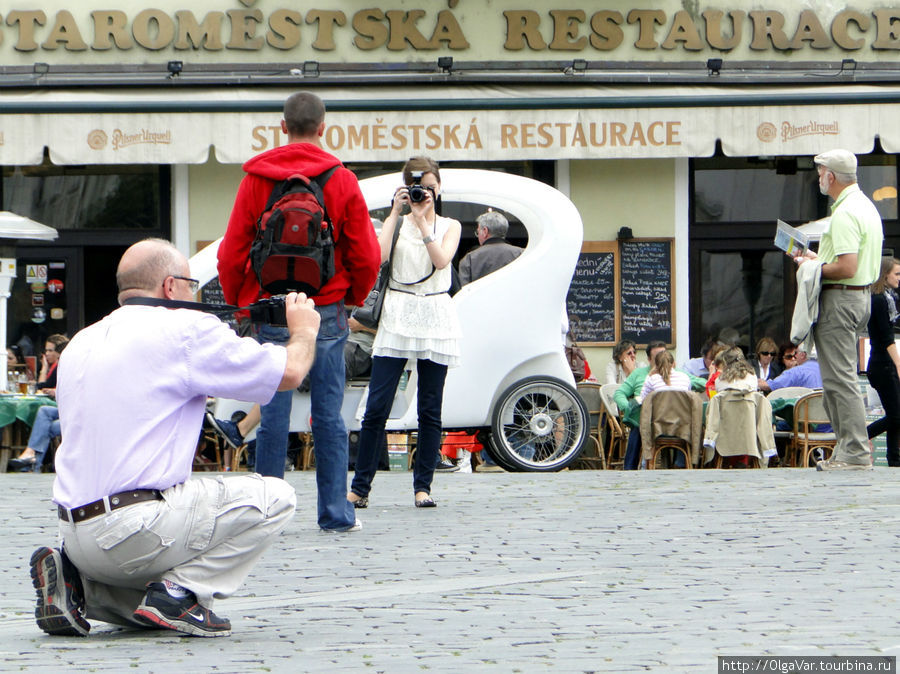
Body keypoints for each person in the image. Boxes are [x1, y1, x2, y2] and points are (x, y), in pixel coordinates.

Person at [28, 238, 320, 639]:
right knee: (276, 497)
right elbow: (288, 373)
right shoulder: (184, 328)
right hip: (136, 527)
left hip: (77, 536)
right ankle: (180, 591)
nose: (194, 294)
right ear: (170, 286)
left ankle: (78, 585)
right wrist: (303, 330)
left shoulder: (83, 339)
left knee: (148, 611)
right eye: (190, 284)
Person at [217, 92, 380, 531]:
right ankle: (335, 514)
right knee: (327, 414)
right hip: (324, 306)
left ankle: (267, 515)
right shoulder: (341, 180)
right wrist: (353, 297)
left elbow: (231, 252)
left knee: (272, 411)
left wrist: (240, 304)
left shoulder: (255, 179)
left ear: (282, 126)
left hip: (270, 306)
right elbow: (366, 253)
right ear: (323, 128)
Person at [348, 156, 462, 509]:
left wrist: (423, 220)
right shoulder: (395, 223)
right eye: (417, 188)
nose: (422, 193)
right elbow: (378, 259)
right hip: (398, 312)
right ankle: (360, 487)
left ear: (439, 188)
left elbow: (442, 260)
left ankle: (423, 486)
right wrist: (397, 214)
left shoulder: (450, 224)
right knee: (377, 405)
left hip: (433, 312)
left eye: (428, 187)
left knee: (430, 407)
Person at [794, 149, 883, 471]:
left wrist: (812, 268)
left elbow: (846, 267)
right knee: (839, 379)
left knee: (839, 380)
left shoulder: (845, 214)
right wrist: (817, 262)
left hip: (840, 299)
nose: (818, 178)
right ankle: (848, 450)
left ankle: (855, 454)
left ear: (830, 176)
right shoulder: (865, 207)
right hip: (857, 298)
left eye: (820, 173)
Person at [866, 257, 900, 466]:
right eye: (896, 274)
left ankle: (894, 459)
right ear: (885, 274)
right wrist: (898, 364)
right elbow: (886, 337)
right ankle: (859, 438)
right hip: (882, 364)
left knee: (895, 413)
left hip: (884, 363)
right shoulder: (879, 299)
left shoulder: (889, 298)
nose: (899, 278)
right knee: (897, 416)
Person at [457, 210, 523, 285]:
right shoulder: (521, 254)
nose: (478, 236)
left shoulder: (469, 259)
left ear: (485, 231)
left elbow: (464, 291)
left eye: (478, 232)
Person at [8, 405, 60, 471]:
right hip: (69, 411)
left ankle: (31, 462)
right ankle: (32, 462)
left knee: (46, 428)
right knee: (44, 411)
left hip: (76, 418)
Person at [757, 347, 822, 393]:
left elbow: (772, 385)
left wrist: (754, 382)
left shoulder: (797, 371)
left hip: (805, 410)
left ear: (803, 355)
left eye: (796, 353)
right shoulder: (826, 370)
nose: (794, 356)